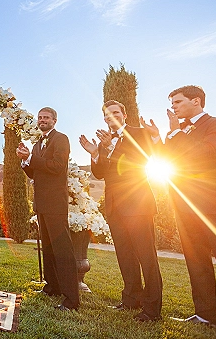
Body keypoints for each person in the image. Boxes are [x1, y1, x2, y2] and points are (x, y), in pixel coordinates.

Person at [79, 100, 162, 322]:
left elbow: (143, 160)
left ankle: (152, 309)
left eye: (115, 113)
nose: (110, 118)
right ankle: (131, 299)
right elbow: (100, 173)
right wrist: (96, 153)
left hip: (138, 203)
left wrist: (112, 148)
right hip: (115, 206)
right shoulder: (105, 142)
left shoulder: (141, 134)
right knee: (125, 255)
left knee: (147, 257)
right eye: (106, 116)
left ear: (124, 115)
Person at [162, 85, 216, 330]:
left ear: (197, 101)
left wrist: (176, 134)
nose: (173, 106)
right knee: (197, 263)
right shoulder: (174, 133)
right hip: (185, 207)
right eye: (172, 103)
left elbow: (208, 153)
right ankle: (207, 315)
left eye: (178, 102)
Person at [16, 107, 79, 311]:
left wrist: (32, 159)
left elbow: (57, 166)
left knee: (62, 250)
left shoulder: (61, 139)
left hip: (55, 203)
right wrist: (25, 160)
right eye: (40, 118)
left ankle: (72, 299)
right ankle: (52, 286)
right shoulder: (37, 144)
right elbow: (36, 174)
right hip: (41, 203)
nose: (42, 120)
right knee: (49, 249)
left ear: (54, 120)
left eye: (46, 118)